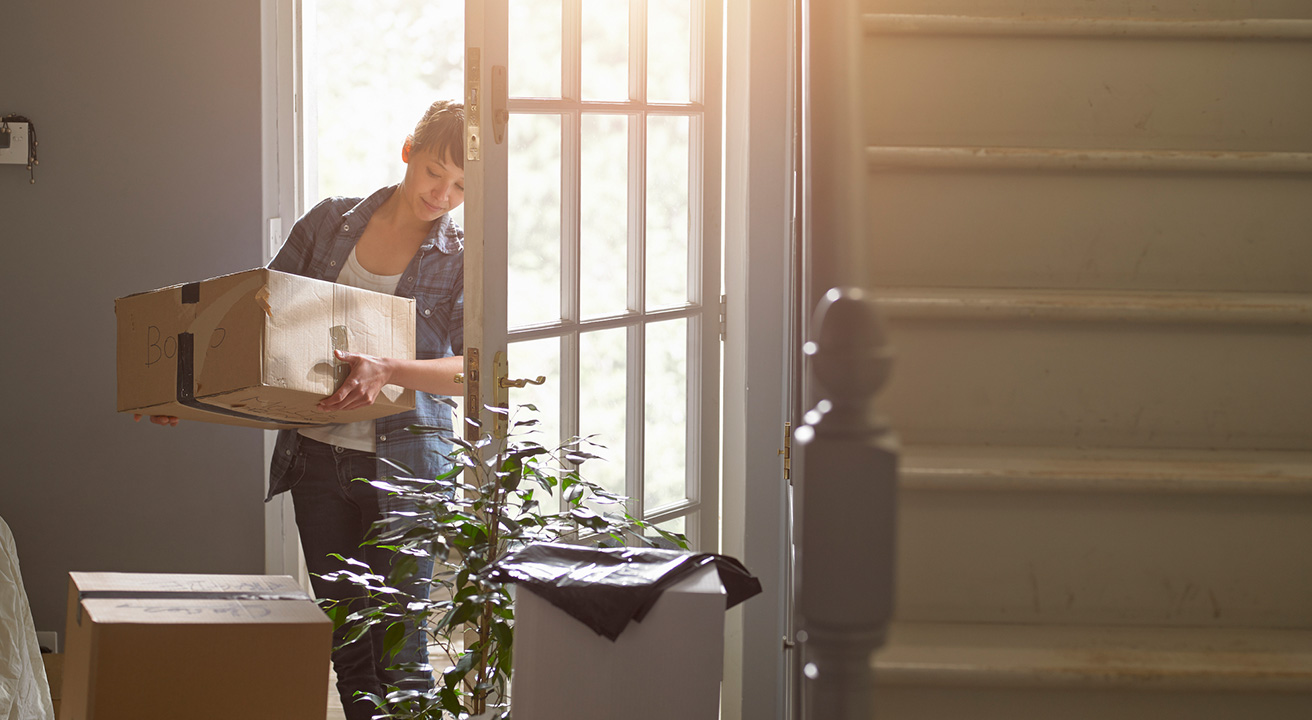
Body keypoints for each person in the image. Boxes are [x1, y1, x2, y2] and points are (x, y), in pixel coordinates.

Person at [138, 99, 466, 720]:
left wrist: (390, 369)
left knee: (401, 647)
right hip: (316, 461)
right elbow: (254, 325)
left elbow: (472, 371)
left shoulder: (461, 254)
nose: (443, 194)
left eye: (459, 185)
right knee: (350, 645)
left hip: (408, 465)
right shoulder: (329, 223)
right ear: (408, 151)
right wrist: (184, 394)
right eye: (434, 172)